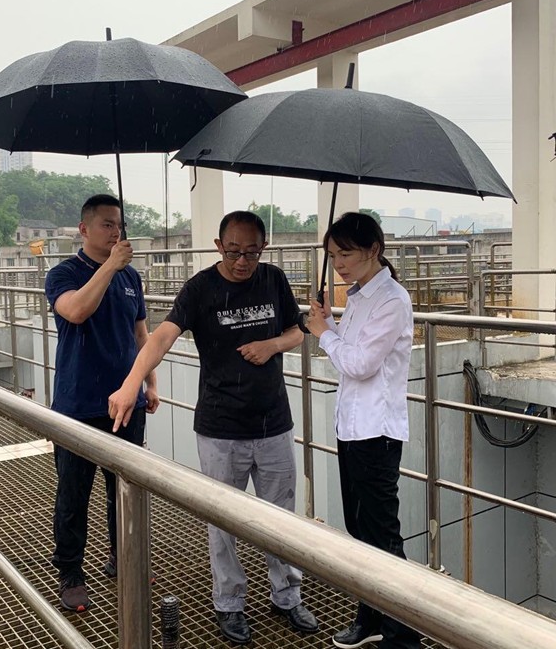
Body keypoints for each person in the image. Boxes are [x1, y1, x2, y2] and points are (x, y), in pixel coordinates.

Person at [109, 210, 319, 646]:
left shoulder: (273, 279)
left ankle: (287, 595)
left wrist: (271, 345)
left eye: (252, 252)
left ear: (263, 248)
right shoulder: (200, 288)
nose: (243, 261)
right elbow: (162, 337)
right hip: (220, 427)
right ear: (219, 245)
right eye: (234, 251)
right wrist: (133, 382)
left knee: (282, 519)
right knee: (222, 524)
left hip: (274, 423)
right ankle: (229, 602)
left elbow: (297, 332)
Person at [306, 212, 421, 649]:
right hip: (352, 426)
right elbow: (351, 350)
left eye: (346, 254)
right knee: (360, 530)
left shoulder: (392, 300)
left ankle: (403, 635)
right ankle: (372, 616)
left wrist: (323, 334)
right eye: (333, 255)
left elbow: (360, 364)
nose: (338, 263)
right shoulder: (358, 295)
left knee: (382, 534)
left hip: (376, 431)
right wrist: (330, 324)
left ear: (374, 250)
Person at [44, 194, 158, 612]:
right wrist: (110, 266)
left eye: (119, 225)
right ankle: (71, 571)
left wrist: (149, 382)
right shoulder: (63, 274)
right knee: (73, 494)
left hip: (126, 402)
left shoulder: (132, 278)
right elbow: (75, 311)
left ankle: (122, 556)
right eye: (107, 224)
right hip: (77, 402)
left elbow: (141, 334)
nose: (115, 231)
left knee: (125, 490)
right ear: (84, 229)